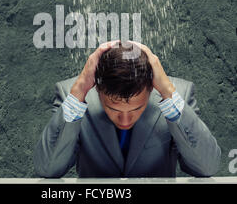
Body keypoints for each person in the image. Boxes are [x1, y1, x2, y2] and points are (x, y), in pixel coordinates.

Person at [34, 40, 221, 178]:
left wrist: (168, 92)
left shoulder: (177, 94)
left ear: (150, 88)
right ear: (98, 90)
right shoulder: (72, 95)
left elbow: (207, 168)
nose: (125, 121)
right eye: (114, 109)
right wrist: (78, 92)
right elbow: (47, 169)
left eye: (135, 109)